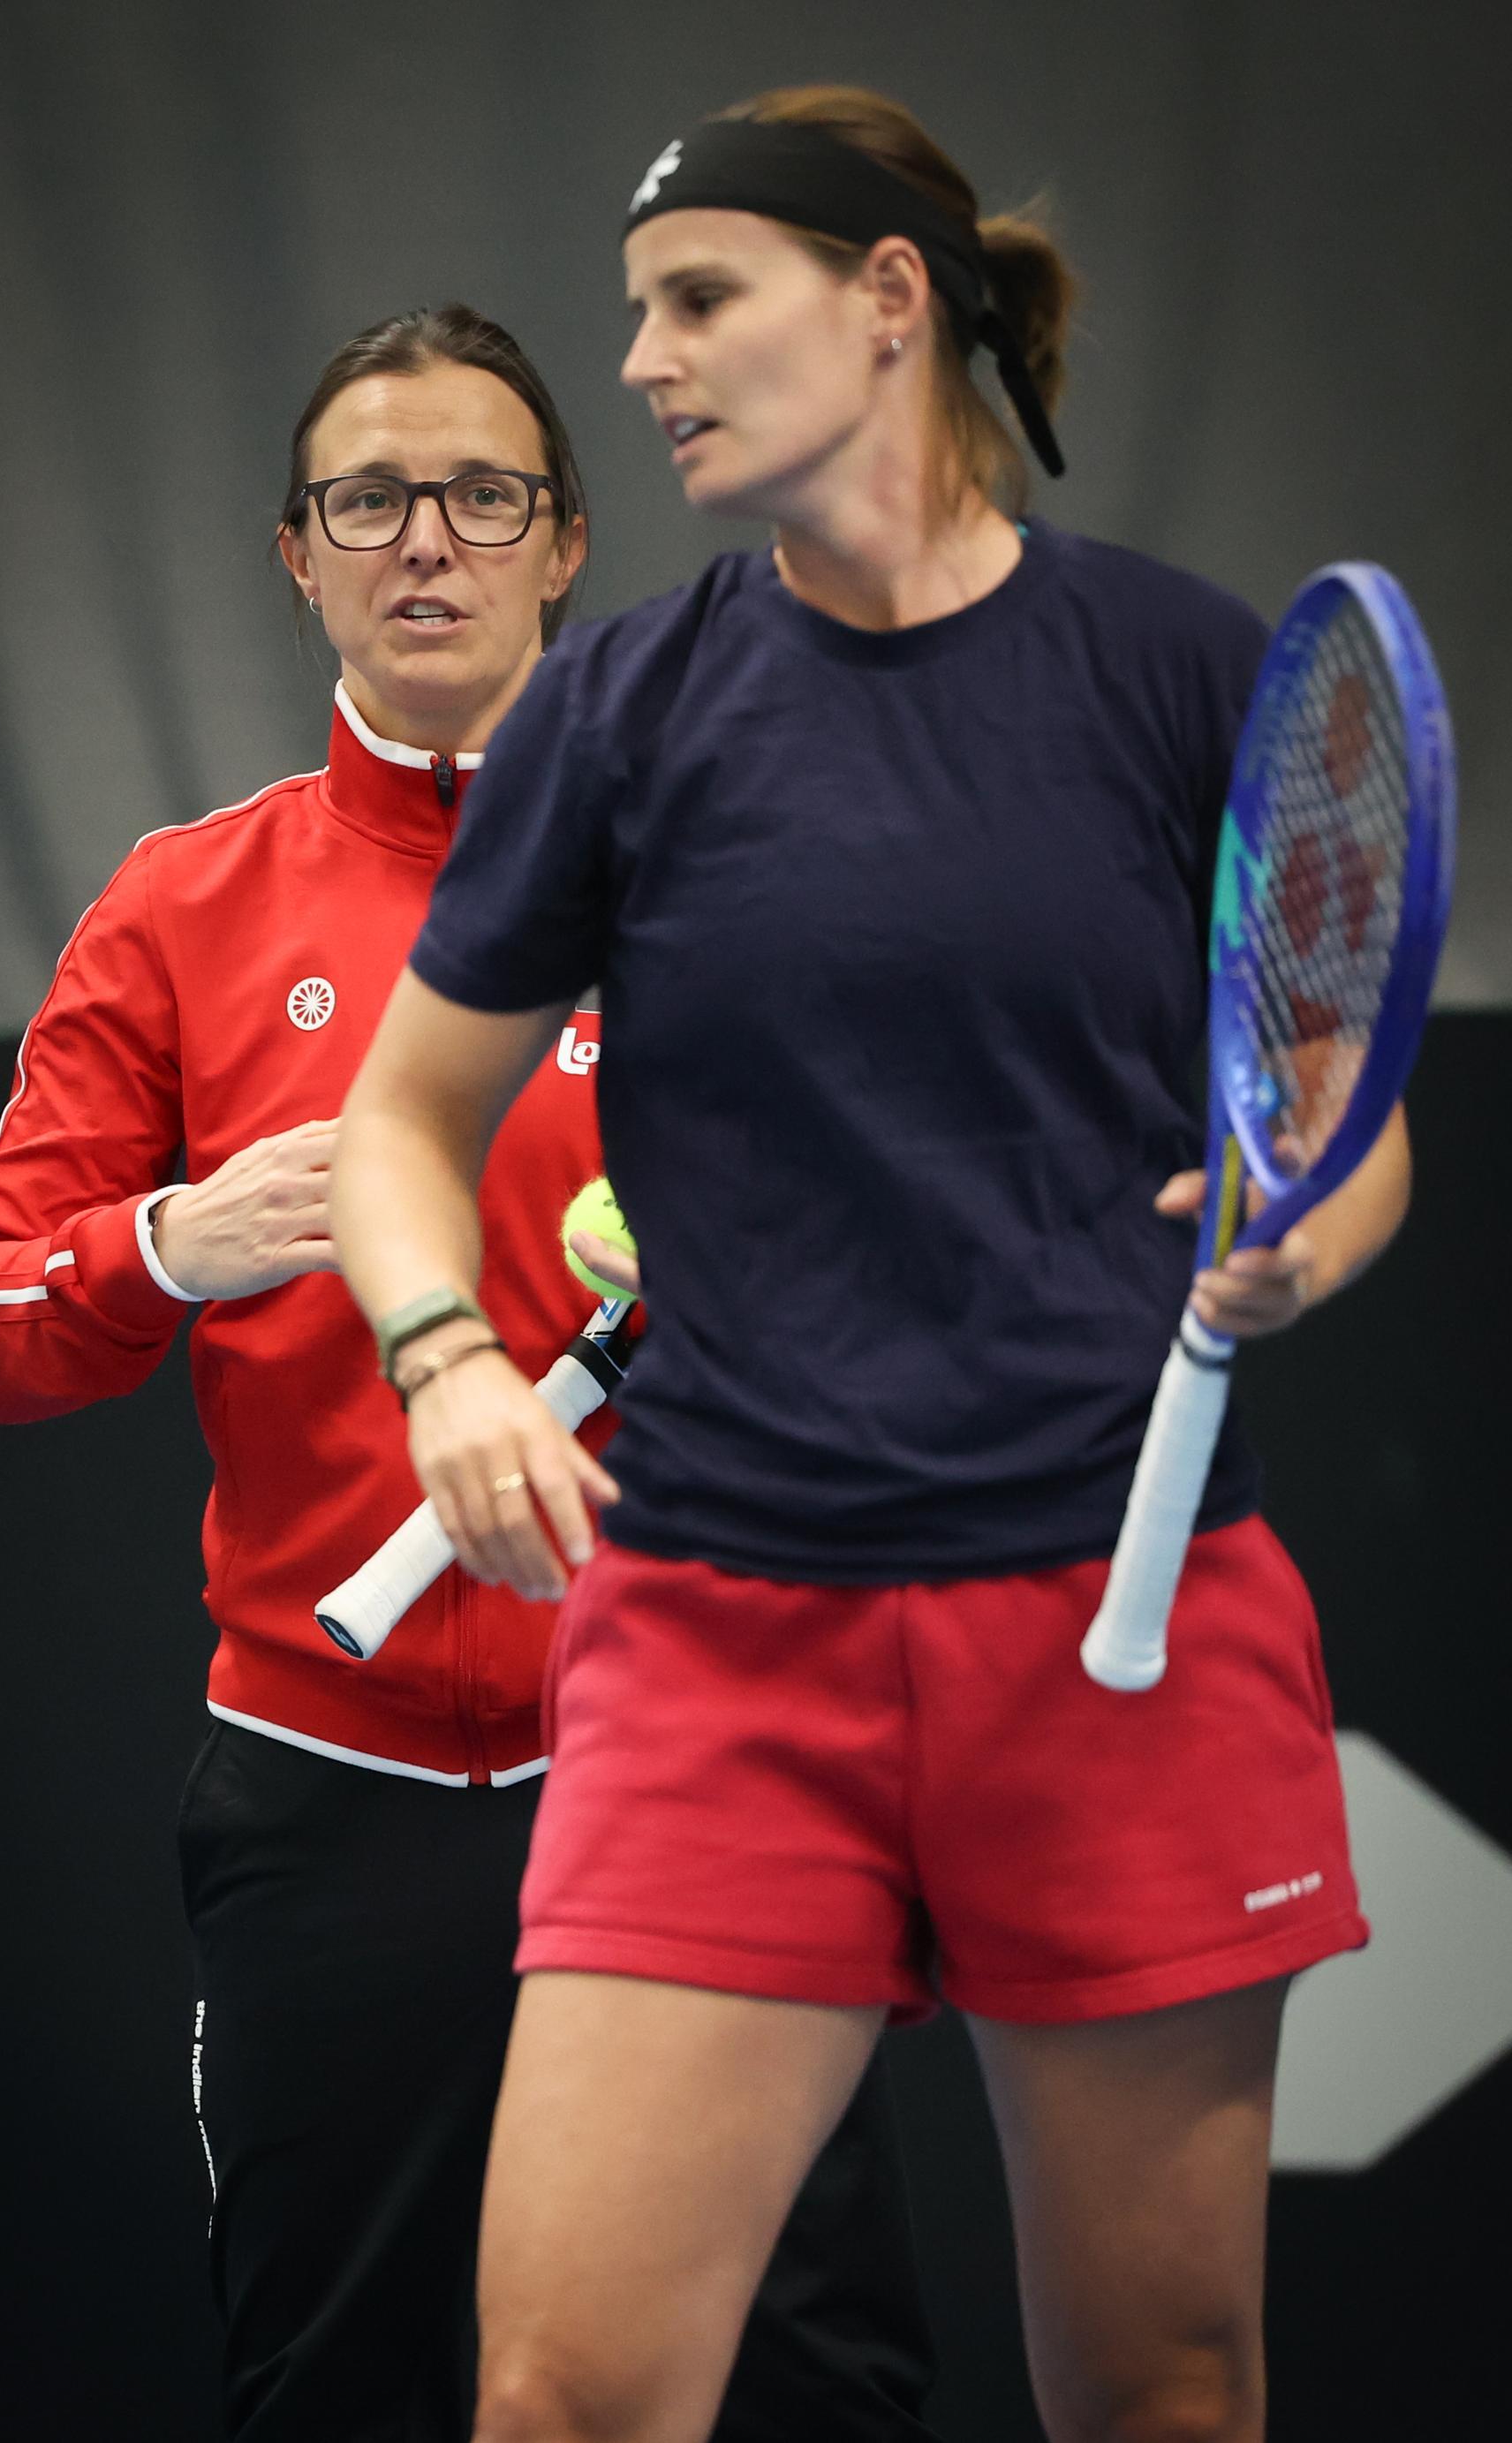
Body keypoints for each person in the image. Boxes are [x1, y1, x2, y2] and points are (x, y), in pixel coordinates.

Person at [329, 87, 1411, 2443]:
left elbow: (1351, 1115)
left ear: (889, 301)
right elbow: (404, 1120)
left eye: (698, 299)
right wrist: (444, 1354)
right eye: (643, 311)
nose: (644, 360)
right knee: (567, 2389)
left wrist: (1299, 1236)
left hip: (1125, 1627)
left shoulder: (1174, 669)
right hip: (723, 1636)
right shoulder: (620, 707)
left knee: (1164, 2380)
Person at [0, 303, 937, 2442]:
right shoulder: (178, 906)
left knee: (804, 2388)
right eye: (367, 498)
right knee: (346, 2392)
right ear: (298, 553)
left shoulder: (739, 866)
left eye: (483, 492)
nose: (425, 540)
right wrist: (168, 1243)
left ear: (567, 541)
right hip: (328, 1800)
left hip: (697, 1774)